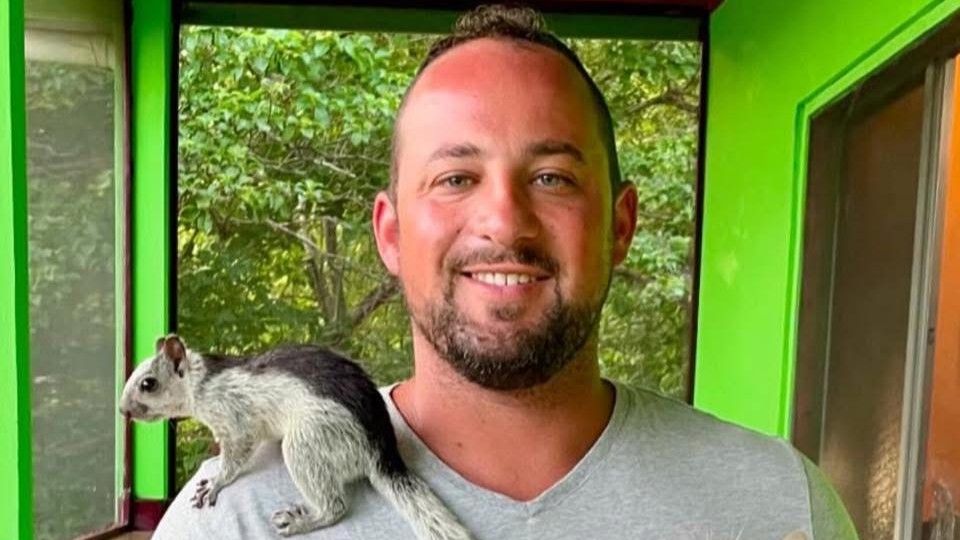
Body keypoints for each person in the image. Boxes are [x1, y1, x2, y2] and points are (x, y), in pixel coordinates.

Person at [155, 5, 857, 539]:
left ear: (619, 227)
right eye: (456, 177)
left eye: (552, 178)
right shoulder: (226, 525)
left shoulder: (779, 505)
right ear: (391, 234)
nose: (505, 221)